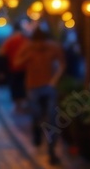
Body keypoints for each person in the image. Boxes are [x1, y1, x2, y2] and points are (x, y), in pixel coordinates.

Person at [15, 27, 65, 166]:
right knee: (36, 114)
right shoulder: (28, 48)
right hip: (33, 87)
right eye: (37, 42)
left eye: (42, 42)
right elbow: (16, 63)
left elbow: (62, 64)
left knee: (52, 118)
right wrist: (28, 56)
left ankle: (51, 151)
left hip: (49, 87)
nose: (39, 45)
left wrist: (54, 80)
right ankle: (36, 129)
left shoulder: (52, 48)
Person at [0, 21, 29, 112]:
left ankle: (17, 107)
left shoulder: (9, 40)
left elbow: (2, 52)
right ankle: (22, 106)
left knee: (15, 87)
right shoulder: (25, 40)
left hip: (12, 68)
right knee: (23, 87)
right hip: (24, 68)